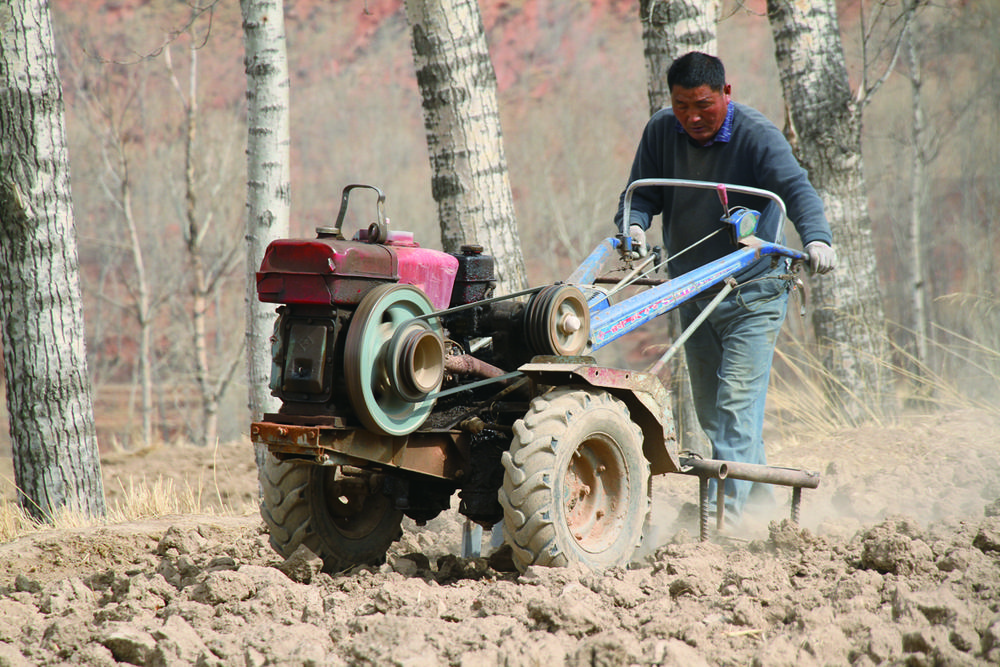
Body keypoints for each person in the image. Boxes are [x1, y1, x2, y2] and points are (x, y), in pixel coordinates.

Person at [614, 51, 836, 527]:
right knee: (715, 414)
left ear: (725, 95)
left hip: (752, 292)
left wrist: (817, 239)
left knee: (736, 406)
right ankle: (757, 512)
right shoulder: (661, 130)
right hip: (693, 290)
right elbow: (641, 192)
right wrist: (633, 226)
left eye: (703, 105)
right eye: (681, 106)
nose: (692, 117)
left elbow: (797, 190)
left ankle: (731, 527)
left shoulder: (757, 137)